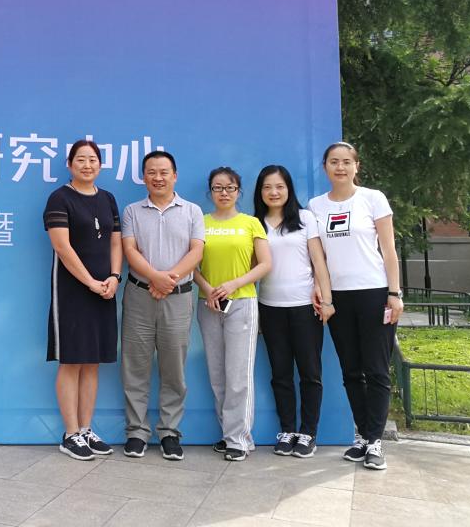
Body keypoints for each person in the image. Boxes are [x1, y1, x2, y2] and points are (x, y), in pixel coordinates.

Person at [309, 142, 402, 471]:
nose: (340, 167)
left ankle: (375, 441)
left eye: (346, 162)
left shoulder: (373, 199)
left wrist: (394, 293)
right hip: (339, 298)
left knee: (376, 369)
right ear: (325, 167)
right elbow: (318, 257)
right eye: (334, 162)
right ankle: (363, 435)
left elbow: (389, 250)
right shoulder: (315, 206)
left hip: (374, 293)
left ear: (356, 166)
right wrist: (323, 293)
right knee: (351, 370)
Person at [120, 151, 205, 460]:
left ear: (175, 175)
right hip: (139, 295)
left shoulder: (192, 211)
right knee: (135, 365)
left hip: (179, 296)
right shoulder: (132, 211)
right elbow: (130, 250)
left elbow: (196, 251)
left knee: (173, 367)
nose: (158, 177)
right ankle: (137, 432)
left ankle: (169, 432)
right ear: (144, 177)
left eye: (164, 172)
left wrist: (169, 279)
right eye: (151, 172)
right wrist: (156, 277)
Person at [44, 139, 122, 460]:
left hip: (105, 290)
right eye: (81, 159)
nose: (87, 165)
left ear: (100, 165)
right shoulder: (60, 198)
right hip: (73, 291)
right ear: (69, 164)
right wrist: (89, 282)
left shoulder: (108, 198)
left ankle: (86, 429)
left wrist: (114, 277)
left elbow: (115, 242)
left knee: (92, 361)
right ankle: (70, 433)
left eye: (92, 160)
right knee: (72, 360)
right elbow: (62, 247)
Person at [253, 164, 333, 458]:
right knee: (280, 373)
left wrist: (326, 298)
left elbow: (318, 261)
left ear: (288, 189)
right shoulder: (255, 224)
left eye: (279, 186)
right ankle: (287, 430)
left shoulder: (304, 218)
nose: (273, 192)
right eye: (267, 187)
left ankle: (308, 433)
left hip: (305, 307)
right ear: (260, 192)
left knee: (310, 373)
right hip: (270, 307)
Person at [196, 166, 272, 461]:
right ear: (210, 192)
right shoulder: (200, 222)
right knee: (217, 375)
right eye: (218, 188)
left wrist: (233, 284)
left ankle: (238, 439)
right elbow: (192, 265)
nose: (224, 193)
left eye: (230, 188)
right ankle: (229, 434)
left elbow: (265, 264)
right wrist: (209, 289)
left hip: (242, 303)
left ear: (239, 192)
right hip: (209, 305)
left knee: (239, 374)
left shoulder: (251, 223)